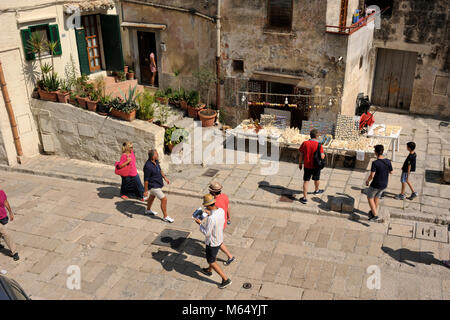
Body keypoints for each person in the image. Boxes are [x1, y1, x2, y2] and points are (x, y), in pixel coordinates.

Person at [194, 194, 232, 289]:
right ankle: (208, 270)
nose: (205, 208)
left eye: (206, 206)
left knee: (211, 261)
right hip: (219, 238)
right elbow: (218, 218)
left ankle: (225, 279)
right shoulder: (221, 210)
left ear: (208, 206)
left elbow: (207, 233)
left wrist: (200, 224)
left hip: (212, 242)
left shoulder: (211, 219)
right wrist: (210, 213)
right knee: (212, 256)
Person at [143, 149, 174, 223]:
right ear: (153, 156)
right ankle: (165, 216)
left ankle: (148, 210)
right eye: (157, 154)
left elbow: (160, 170)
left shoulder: (155, 161)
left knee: (152, 197)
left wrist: (165, 177)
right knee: (164, 199)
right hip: (153, 186)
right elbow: (146, 180)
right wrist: (145, 191)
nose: (158, 155)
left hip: (158, 183)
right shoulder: (148, 166)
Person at [209, 182, 235, 266]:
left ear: (213, 192)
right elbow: (228, 207)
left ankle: (230, 256)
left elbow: (214, 216)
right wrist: (228, 217)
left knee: (218, 242)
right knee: (217, 240)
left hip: (218, 224)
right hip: (223, 221)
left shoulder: (215, 202)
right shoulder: (224, 196)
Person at [365, 144, 393, 221]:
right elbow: (391, 172)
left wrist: (367, 181)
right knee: (377, 197)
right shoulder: (388, 161)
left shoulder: (375, 163)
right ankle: (374, 210)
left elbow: (372, 175)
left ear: (376, 153)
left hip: (376, 184)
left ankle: (375, 215)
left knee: (370, 197)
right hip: (384, 184)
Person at [298, 129, 326, 204]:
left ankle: (304, 198)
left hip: (307, 165)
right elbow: (322, 156)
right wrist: (323, 156)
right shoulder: (319, 145)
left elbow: (301, 154)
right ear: (316, 136)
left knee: (306, 181)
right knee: (317, 179)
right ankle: (316, 190)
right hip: (316, 166)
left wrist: (300, 163)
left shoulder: (305, 143)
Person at [0, 190, 19, 261]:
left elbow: (5, 202)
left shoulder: (1, 192)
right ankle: (14, 252)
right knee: (5, 233)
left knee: (1, 233)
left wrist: (10, 212)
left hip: (3, 217)